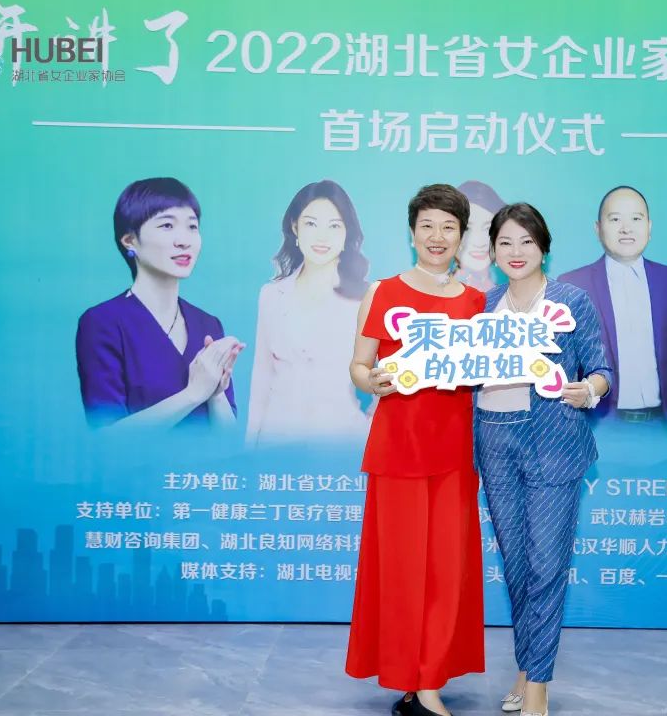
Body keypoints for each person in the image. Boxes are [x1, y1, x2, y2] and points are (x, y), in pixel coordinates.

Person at [345, 185, 486, 716]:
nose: (437, 236)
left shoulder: (476, 302)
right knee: (403, 570)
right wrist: (373, 381)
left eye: (449, 227)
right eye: (428, 225)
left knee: (447, 571)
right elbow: (359, 364)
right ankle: (409, 679)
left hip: (454, 451)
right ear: (411, 232)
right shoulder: (382, 292)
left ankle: (428, 681)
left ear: (461, 236)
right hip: (398, 449)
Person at [477, 203, 612, 716]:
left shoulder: (571, 300)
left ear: (544, 248)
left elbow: (602, 369)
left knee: (547, 565)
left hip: (553, 442)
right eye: (505, 242)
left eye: (526, 242)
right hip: (495, 440)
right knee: (516, 566)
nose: (516, 252)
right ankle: (526, 664)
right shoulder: (484, 306)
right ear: (492, 251)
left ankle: (537, 686)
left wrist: (588, 390)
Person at [75, 177, 243, 429]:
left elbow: (228, 440)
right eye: (167, 225)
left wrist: (216, 394)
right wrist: (193, 394)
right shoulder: (102, 323)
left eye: (192, 226)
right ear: (130, 240)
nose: (184, 240)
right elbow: (106, 437)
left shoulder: (208, 324)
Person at [559, 186, 667, 432]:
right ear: (598, 229)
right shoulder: (573, 284)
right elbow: (562, 362)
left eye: (636, 218)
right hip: (599, 428)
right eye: (615, 219)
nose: (626, 228)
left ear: (649, 228)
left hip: (664, 427)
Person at [245, 180, 370, 444]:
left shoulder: (366, 299)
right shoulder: (272, 295)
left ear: (347, 233)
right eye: (311, 224)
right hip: (277, 442)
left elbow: (386, 382)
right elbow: (262, 379)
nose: (322, 237)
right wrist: (250, 448)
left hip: (341, 442)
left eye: (334, 226)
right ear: (295, 228)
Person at [455, 180, 505, 291]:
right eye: (467, 229)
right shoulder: (439, 291)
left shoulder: (503, 292)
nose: (479, 242)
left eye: (488, 228)